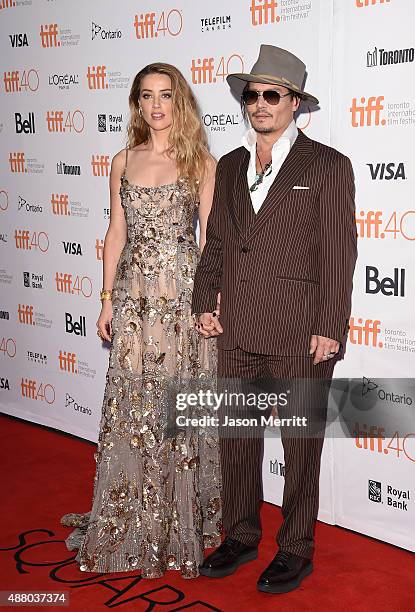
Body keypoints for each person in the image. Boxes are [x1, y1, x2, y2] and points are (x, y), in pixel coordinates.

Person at [191, 45, 357, 593]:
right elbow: (215, 242)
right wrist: (202, 302)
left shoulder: (328, 165)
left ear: (294, 104)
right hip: (237, 325)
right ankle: (239, 535)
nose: (259, 104)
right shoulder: (231, 164)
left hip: (297, 328)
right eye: (252, 94)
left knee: (300, 446)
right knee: (236, 440)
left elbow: (337, 251)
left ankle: (296, 548)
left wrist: (330, 326)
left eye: (272, 94)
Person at [60, 62, 222, 579]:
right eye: (147, 96)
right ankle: (133, 516)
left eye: (166, 95)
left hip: (180, 299)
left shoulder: (202, 161)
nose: (157, 105)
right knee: (135, 406)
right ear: (137, 103)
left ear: (181, 101)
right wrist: (107, 299)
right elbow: (115, 234)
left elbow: (208, 242)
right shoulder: (122, 160)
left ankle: (178, 523)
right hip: (134, 300)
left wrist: (207, 303)